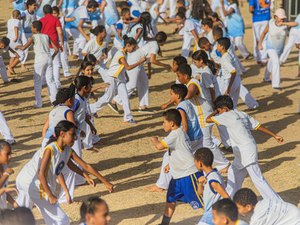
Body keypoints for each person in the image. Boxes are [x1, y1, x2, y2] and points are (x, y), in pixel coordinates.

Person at [15, 120, 114, 225]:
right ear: (62, 134)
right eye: (72, 134)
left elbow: (82, 165)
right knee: (61, 219)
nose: (76, 137)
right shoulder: (50, 150)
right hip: (32, 183)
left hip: (27, 181)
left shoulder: (67, 150)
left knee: (20, 217)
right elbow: (41, 174)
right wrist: (50, 195)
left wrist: (90, 177)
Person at [206, 95, 283, 200]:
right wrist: (274, 135)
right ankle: (227, 200)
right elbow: (257, 126)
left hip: (245, 151)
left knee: (258, 179)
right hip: (244, 151)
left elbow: (208, 119)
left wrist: (215, 111)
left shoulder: (226, 115)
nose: (219, 113)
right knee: (233, 173)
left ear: (224, 108)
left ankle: (276, 202)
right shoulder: (242, 114)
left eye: (219, 110)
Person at [150, 109, 204, 225]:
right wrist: (171, 164)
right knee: (170, 200)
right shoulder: (180, 133)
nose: (162, 124)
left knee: (203, 202)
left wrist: (155, 140)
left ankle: (219, 220)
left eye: (164, 122)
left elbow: (159, 146)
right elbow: (181, 151)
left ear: (172, 123)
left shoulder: (175, 134)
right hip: (178, 176)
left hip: (189, 174)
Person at [148, 84, 203, 192]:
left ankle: (161, 185)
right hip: (198, 135)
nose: (170, 96)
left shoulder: (180, 108)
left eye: (171, 94)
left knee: (167, 156)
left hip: (191, 137)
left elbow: (185, 125)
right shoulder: (187, 102)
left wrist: (182, 138)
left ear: (177, 96)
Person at [176, 64, 230, 172]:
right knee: (202, 142)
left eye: (179, 76)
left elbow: (188, 95)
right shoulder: (191, 82)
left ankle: (224, 164)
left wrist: (176, 97)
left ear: (186, 76)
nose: (178, 78)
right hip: (201, 116)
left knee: (206, 143)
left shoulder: (192, 84)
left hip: (204, 116)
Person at [90, 37, 146, 123]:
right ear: (127, 45)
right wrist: (140, 61)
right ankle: (91, 109)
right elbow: (128, 67)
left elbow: (122, 68)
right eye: (133, 47)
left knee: (125, 97)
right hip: (112, 78)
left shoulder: (124, 53)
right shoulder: (121, 54)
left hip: (120, 79)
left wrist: (125, 77)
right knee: (107, 98)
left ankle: (128, 117)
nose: (134, 49)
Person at [112, 31, 171, 113]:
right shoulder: (155, 46)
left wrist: (149, 72)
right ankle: (115, 100)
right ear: (163, 41)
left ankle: (143, 106)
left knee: (144, 82)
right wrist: (165, 65)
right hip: (135, 61)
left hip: (138, 61)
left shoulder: (152, 42)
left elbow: (148, 59)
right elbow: (152, 60)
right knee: (132, 85)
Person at [16, 20, 58, 108]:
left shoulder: (33, 37)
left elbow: (24, 47)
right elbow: (56, 49)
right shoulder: (47, 36)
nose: (31, 29)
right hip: (48, 58)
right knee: (50, 81)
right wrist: (52, 56)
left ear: (35, 28)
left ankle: (39, 103)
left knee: (37, 81)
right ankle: (55, 101)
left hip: (40, 60)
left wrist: (17, 46)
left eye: (32, 27)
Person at [258, 8, 298, 89]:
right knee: (276, 62)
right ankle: (276, 84)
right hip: (270, 47)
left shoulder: (286, 24)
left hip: (279, 49)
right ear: (275, 17)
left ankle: (266, 77)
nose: (282, 19)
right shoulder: (270, 23)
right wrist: (260, 44)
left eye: (283, 18)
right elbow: (263, 33)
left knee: (272, 62)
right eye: (280, 17)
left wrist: (284, 24)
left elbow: (296, 24)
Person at [194, 148, 229, 225]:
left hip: (213, 214)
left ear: (200, 163)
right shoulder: (210, 175)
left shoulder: (212, 180)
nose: (195, 164)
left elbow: (226, 196)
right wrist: (200, 183)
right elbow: (200, 193)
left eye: (195, 162)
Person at [233, 188, 300, 225]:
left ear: (248, 207)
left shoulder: (257, 219)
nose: (237, 211)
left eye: (238, 208)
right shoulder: (266, 201)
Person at [40, 4, 64, 88]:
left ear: (43, 12)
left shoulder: (41, 20)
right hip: (55, 45)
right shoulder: (55, 19)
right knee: (56, 64)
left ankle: (43, 81)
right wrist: (62, 43)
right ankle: (57, 82)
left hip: (44, 45)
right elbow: (60, 32)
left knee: (43, 63)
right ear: (51, 11)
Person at [216, 37, 241, 108]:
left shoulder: (224, 58)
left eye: (218, 45)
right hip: (237, 80)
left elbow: (233, 72)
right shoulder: (227, 55)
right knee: (233, 105)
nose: (217, 47)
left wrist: (228, 88)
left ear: (222, 47)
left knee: (225, 105)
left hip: (229, 81)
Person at [52, 6, 74, 78]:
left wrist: (74, 17)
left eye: (55, 13)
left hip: (63, 41)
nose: (54, 15)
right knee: (54, 58)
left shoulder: (62, 19)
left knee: (64, 57)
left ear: (58, 13)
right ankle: (53, 73)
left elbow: (69, 19)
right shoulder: (50, 20)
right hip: (54, 41)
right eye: (52, 13)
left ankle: (66, 72)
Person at [249, 0, 270, 65]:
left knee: (257, 39)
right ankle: (263, 58)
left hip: (256, 20)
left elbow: (251, 9)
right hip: (266, 18)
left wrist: (255, 11)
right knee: (264, 39)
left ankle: (258, 57)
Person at [0, 141, 18, 209]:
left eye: (10, 154)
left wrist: (14, 203)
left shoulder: (4, 167)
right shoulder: (6, 172)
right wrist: (6, 175)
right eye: (7, 154)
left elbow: (3, 191)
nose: (10, 157)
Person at [20, 0, 37, 71]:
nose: (35, 6)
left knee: (35, 46)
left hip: (31, 33)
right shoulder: (24, 13)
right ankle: (22, 64)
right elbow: (19, 20)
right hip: (24, 33)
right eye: (34, 5)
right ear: (29, 6)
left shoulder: (35, 13)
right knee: (26, 48)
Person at [6, 10, 24, 75]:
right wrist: (16, 37)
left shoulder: (9, 20)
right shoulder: (17, 21)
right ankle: (11, 67)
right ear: (18, 15)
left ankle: (11, 71)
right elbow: (15, 27)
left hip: (8, 40)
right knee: (22, 55)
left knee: (13, 56)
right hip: (15, 41)